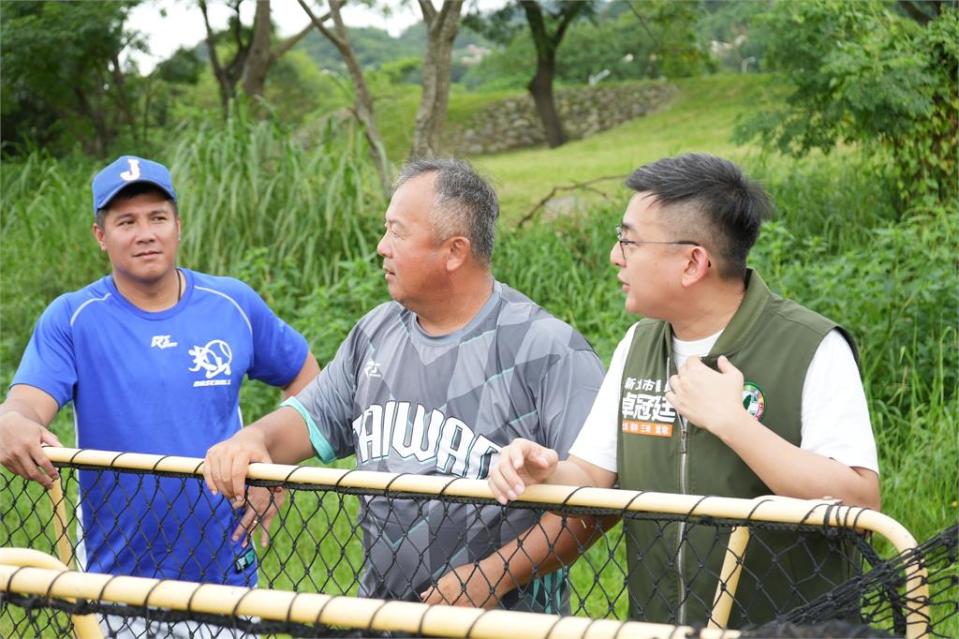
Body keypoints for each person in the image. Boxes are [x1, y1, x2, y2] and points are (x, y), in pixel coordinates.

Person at [488, 153, 880, 625]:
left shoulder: (812, 346)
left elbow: (859, 502)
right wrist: (542, 470)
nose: (615, 256)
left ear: (693, 261)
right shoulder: (640, 344)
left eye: (629, 241)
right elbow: (593, 477)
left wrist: (735, 424)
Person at [203, 158, 605, 612]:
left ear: (454, 251)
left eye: (397, 232)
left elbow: (595, 502)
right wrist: (251, 441)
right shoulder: (375, 334)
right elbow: (304, 419)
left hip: (507, 625)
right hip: (384, 618)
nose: (381, 247)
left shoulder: (547, 349)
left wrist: (494, 576)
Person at [0, 156, 319, 634]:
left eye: (157, 218)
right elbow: (26, 403)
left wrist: (274, 471)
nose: (145, 233)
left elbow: (307, 381)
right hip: (115, 582)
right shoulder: (73, 318)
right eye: (126, 222)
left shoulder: (232, 304)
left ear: (178, 226)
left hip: (224, 575)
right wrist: (11, 419)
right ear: (100, 236)